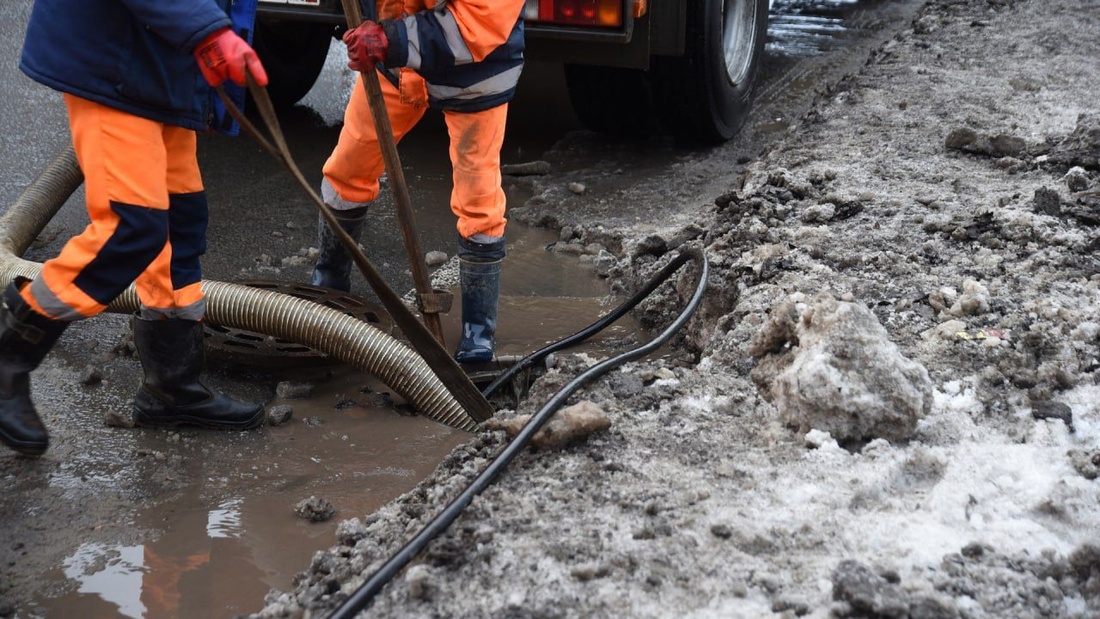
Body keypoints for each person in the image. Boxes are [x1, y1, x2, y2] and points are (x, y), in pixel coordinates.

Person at [1, 1, 271, 457]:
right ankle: (11, 354)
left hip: (161, 64)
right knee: (133, 228)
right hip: (113, 61)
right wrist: (207, 31)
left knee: (178, 223)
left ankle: (172, 388)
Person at [309, 0, 525, 364]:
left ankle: (478, 332)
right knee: (348, 169)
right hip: (396, 66)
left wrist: (389, 40)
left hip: (475, 72)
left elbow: (478, 23)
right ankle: (329, 286)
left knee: (479, 200)